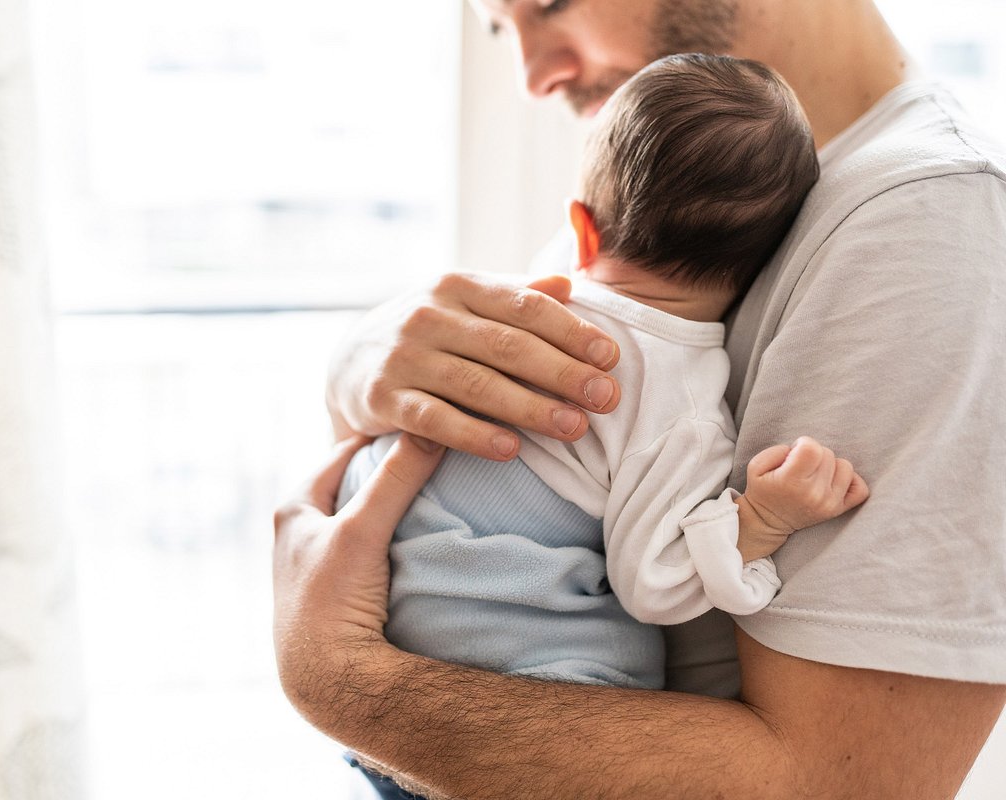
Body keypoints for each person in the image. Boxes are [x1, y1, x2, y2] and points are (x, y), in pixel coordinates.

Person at [273, 1, 1006, 797]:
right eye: (496, 26)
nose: (531, 75)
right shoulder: (683, 178)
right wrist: (358, 367)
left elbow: (836, 784)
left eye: (551, 4)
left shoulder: (928, 225)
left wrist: (336, 678)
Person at [336, 53, 870, 798]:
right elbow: (655, 582)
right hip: (521, 680)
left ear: (582, 230)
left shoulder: (513, 313)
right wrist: (761, 519)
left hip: (391, 649)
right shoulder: (676, 402)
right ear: (761, 267)